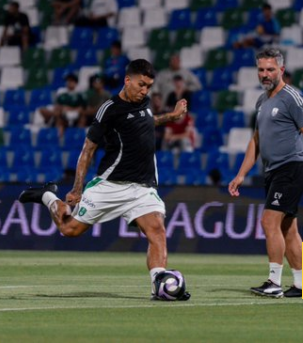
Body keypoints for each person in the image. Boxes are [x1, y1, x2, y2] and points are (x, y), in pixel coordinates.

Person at [19, 59, 190, 301]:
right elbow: (88, 150)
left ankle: (159, 284)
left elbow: (146, 122)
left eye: (149, 86)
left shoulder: (145, 102)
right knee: (69, 229)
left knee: (157, 230)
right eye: (141, 85)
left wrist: (170, 117)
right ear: (127, 80)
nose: (145, 90)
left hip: (143, 187)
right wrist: (77, 189)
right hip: (110, 186)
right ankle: (47, 195)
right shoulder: (109, 109)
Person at [228, 48, 303, 299]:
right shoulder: (262, 101)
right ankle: (301, 284)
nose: (265, 74)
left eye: (270, 70)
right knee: (288, 228)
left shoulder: (292, 97)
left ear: (281, 70)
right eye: (261, 70)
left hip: (292, 167)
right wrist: (241, 174)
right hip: (273, 170)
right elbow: (256, 140)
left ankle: (273, 282)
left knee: (268, 222)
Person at [38, 73, 87, 137]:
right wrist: (63, 108)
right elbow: (58, 105)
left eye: (71, 81)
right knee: (57, 117)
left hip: (76, 114)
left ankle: (79, 136)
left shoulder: (80, 93)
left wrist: (70, 109)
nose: (68, 83)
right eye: (68, 81)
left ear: (75, 82)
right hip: (62, 114)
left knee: (83, 117)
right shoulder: (61, 92)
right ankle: (59, 139)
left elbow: (82, 107)